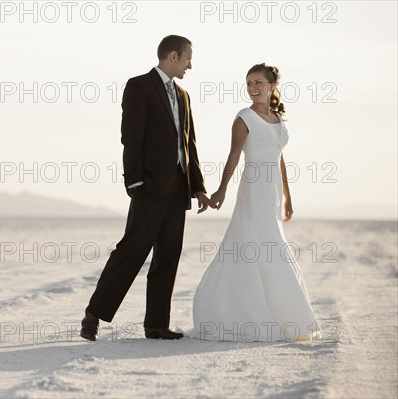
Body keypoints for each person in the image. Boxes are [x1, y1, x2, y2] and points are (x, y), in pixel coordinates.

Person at [80, 35, 210, 341]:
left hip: (179, 187)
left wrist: (198, 187)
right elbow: (131, 136)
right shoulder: (139, 86)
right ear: (173, 56)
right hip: (149, 186)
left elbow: (188, 144)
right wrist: (135, 181)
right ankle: (93, 315)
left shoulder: (184, 96)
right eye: (188, 58)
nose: (191, 64)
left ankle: (156, 324)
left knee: (168, 255)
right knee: (132, 250)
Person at [192, 63, 320, 342]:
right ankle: (240, 313)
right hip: (252, 189)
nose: (253, 88)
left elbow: (280, 158)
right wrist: (221, 190)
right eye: (249, 83)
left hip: (272, 191)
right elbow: (234, 156)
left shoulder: (278, 119)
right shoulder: (244, 117)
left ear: (272, 86)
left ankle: (281, 313)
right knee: (254, 241)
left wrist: (287, 196)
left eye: (259, 83)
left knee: (271, 243)